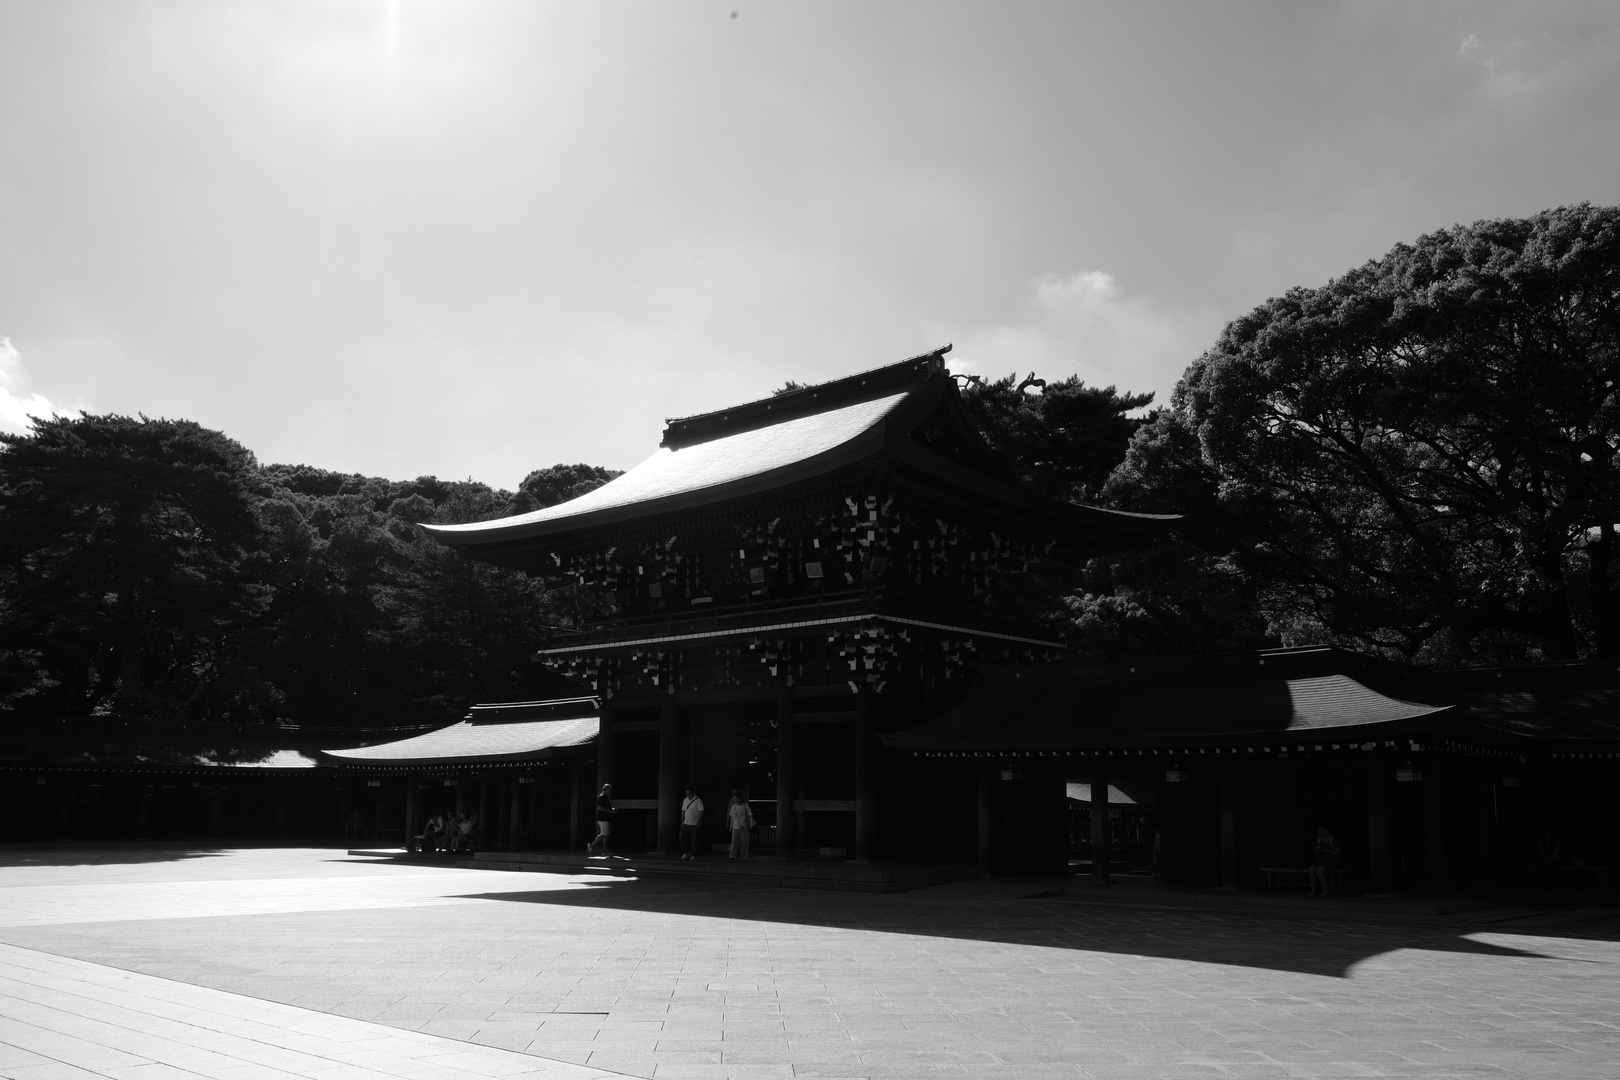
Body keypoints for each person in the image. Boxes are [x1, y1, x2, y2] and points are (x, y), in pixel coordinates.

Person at [1308, 825, 1340, 897]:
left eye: (1322, 831)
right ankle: (1313, 890)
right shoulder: (1318, 839)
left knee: (1319, 870)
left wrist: (1327, 850)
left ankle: (1326, 890)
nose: (1320, 833)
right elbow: (1315, 852)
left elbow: (1338, 852)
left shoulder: (1332, 839)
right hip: (1320, 860)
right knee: (1312, 870)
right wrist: (1318, 849)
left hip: (1331, 862)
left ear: (1326, 830)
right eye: (1319, 831)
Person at [588, 783, 616, 857]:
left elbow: (607, 807)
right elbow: (600, 808)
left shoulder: (607, 797)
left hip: (606, 818)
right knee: (604, 834)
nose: (611, 791)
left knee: (606, 835)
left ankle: (604, 851)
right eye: (609, 789)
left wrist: (612, 810)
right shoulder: (601, 797)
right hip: (602, 818)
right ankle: (592, 844)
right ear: (605, 789)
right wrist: (610, 811)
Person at [726, 789, 754, 862]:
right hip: (736, 825)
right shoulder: (733, 806)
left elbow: (750, 815)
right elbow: (732, 818)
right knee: (734, 842)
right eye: (734, 798)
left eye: (736, 798)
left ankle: (744, 857)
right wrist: (731, 826)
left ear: (740, 798)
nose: (734, 800)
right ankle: (732, 856)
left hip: (743, 825)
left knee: (744, 842)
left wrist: (751, 823)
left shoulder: (745, 805)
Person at [680, 787, 704, 860]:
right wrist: (682, 821)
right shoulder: (685, 800)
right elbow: (683, 811)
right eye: (687, 794)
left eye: (690, 794)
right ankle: (686, 852)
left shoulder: (698, 800)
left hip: (694, 823)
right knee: (682, 837)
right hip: (686, 823)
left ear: (693, 793)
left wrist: (699, 820)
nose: (688, 796)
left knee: (694, 840)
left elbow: (701, 811)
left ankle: (694, 854)